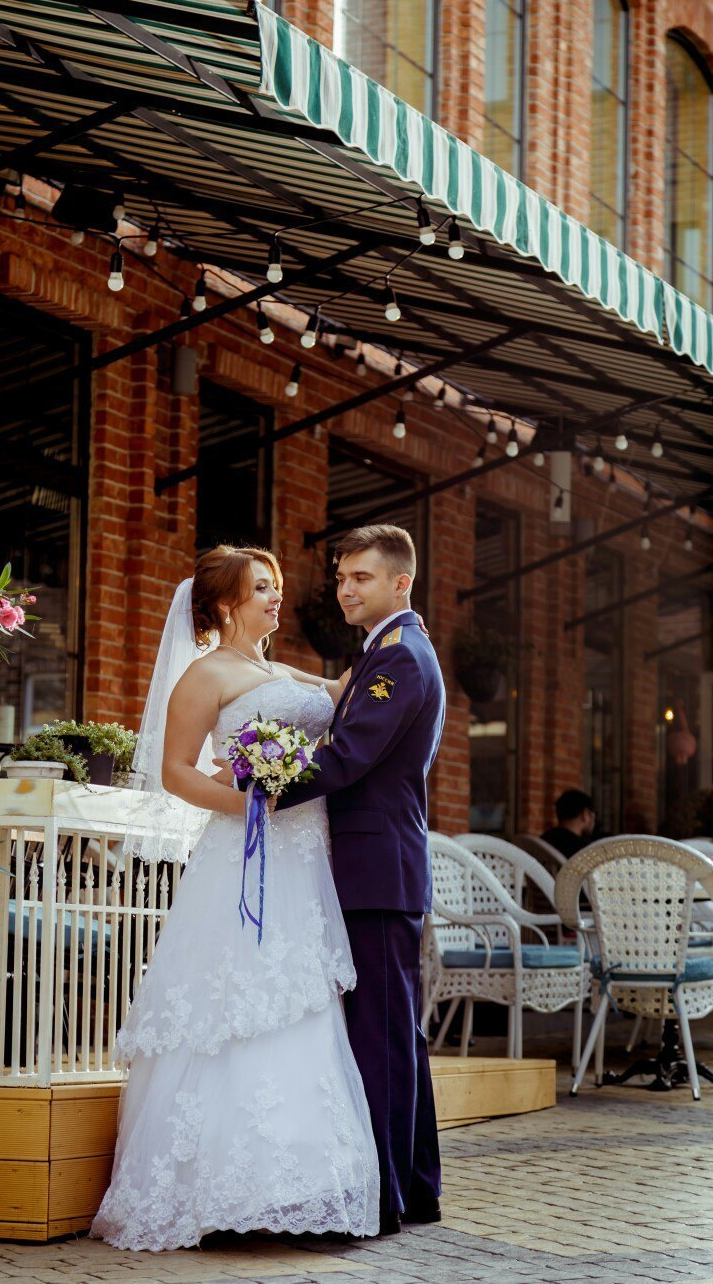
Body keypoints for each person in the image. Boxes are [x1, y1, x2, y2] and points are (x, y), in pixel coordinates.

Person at [90, 545, 379, 1251]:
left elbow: (347, 689)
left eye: (275, 587)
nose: (277, 598)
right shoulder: (205, 674)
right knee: (235, 998)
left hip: (305, 859)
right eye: (262, 589)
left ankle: (296, 1186)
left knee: (299, 998)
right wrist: (248, 803)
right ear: (226, 604)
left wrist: (396, 632)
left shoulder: (281, 670)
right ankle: (219, 1190)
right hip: (245, 854)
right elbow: (175, 772)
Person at [266, 523, 446, 1236]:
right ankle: (414, 1188)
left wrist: (256, 781)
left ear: (402, 582)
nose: (346, 589)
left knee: (381, 1033)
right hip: (378, 866)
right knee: (394, 1031)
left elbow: (346, 757)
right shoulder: (384, 650)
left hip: (377, 868)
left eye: (361, 578)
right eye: (341, 578)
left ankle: (385, 1198)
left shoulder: (400, 656)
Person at [543, 789, 597, 859]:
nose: (594, 821)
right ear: (585, 814)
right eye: (593, 816)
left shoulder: (543, 841)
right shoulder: (585, 851)